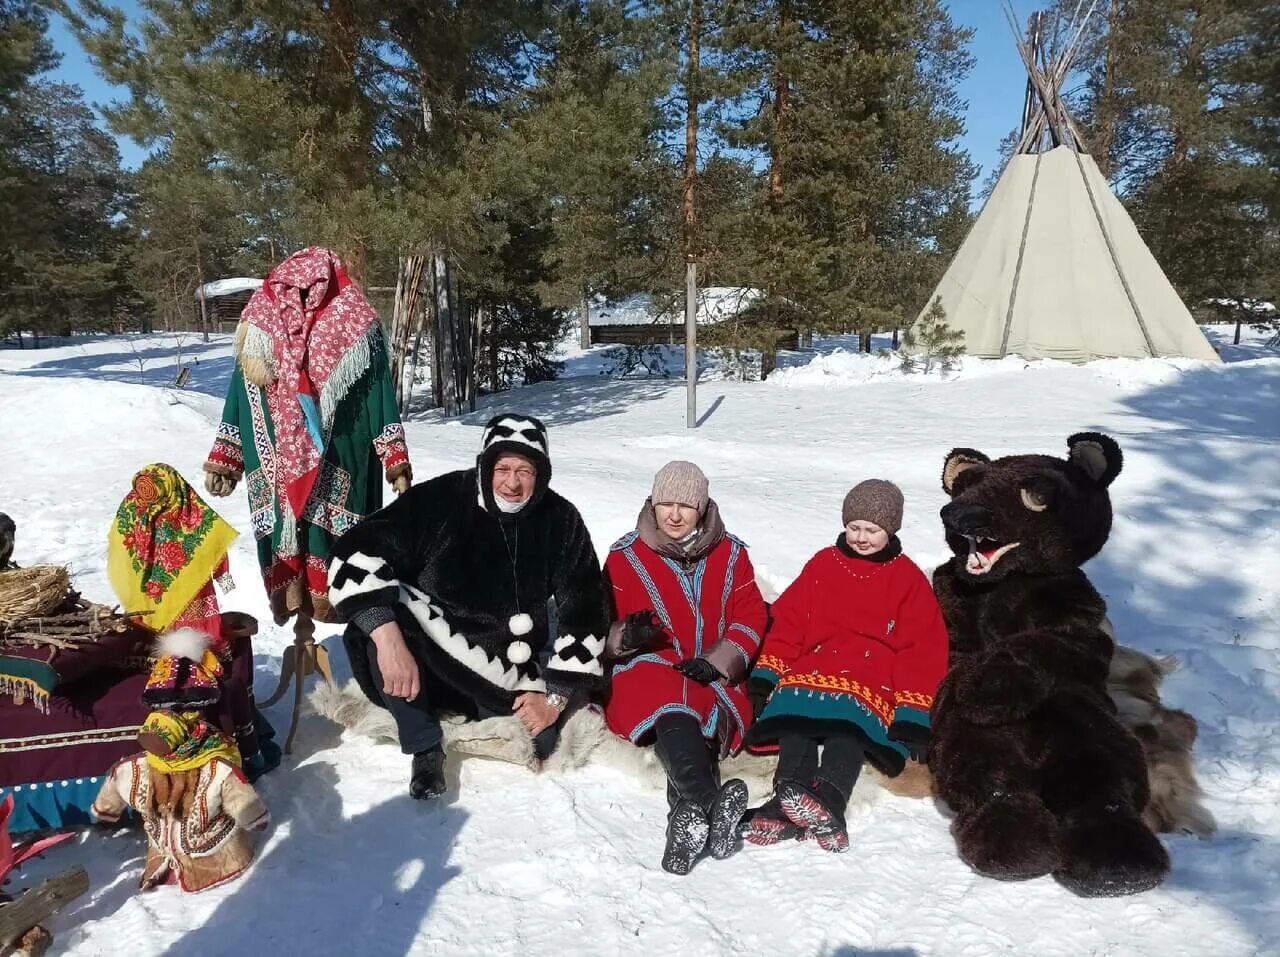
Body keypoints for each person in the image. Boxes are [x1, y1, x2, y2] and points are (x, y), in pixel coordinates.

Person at [327, 414, 609, 799]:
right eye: (503, 468)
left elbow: (586, 609)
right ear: (485, 466)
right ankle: (424, 745)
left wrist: (555, 699)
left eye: (525, 470)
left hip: (503, 672)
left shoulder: (562, 521)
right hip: (432, 657)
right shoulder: (442, 500)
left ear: (541, 475)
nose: (512, 483)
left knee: (541, 742)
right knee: (371, 627)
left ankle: (483, 721)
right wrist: (388, 639)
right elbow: (355, 552)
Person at [744, 479, 948, 852]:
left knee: (850, 726)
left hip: (874, 671)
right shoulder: (824, 564)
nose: (861, 537)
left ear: (891, 530)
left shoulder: (908, 579)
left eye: (872, 530)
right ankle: (786, 800)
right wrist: (765, 675)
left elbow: (923, 649)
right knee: (795, 720)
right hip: (818, 664)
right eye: (853, 527)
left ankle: (830, 798)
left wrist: (914, 715)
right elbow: (791, 621)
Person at [604, 461, 768, 875]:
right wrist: (627, 635)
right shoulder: (625, 557)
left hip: (714, 673)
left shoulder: (732, 554)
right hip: (650, 669)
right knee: (667, 694)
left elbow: (750, 616)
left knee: (703, 709)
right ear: (652, 504)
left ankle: (689, 820)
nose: (674, 515)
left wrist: (719, 662)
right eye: (665, 504)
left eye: (685, 506)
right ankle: (708, 802)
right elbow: (599, 628)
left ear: (703, 507)